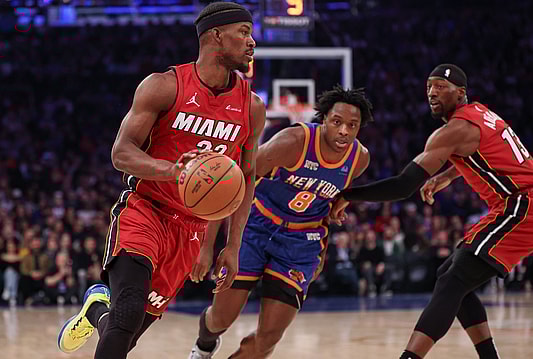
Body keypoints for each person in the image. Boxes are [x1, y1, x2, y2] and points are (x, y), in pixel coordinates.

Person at [57, 2, 265, 358]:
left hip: (190, 230)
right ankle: (106, 310)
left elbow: (246, 178)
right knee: (128, 312)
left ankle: (96, 310)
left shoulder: (251, 107)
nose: (251, 42)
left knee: (126, 334)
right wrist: (171, 171)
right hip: (146, 211)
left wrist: (231, 246)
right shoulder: (164, 86)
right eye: (243, 33)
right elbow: (121, 153)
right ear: (215, 36)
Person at [331, 64, 533, 359]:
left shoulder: (454, 130)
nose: (432, 92)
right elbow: (486, 151)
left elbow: (404, 186)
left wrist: (349, 195)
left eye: (441, 86)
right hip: (521, 204)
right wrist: (448, 175)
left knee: (453, 281)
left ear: (461, 93)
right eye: (429, 86)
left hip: (523, 205)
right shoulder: (481, 114)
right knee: (450, 275)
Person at [188, 85, 373, 359]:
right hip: (256, 226)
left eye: (352, 125)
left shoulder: (359, 159)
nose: (344, 131)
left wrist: (339, 204)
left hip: (301, 242)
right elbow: (230, 183)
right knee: (221, 319)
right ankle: (204, 346)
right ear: (323, 120)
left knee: (269, 339)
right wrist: (208, 247)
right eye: (337, 122)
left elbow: (334, 190)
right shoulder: (292, 142)